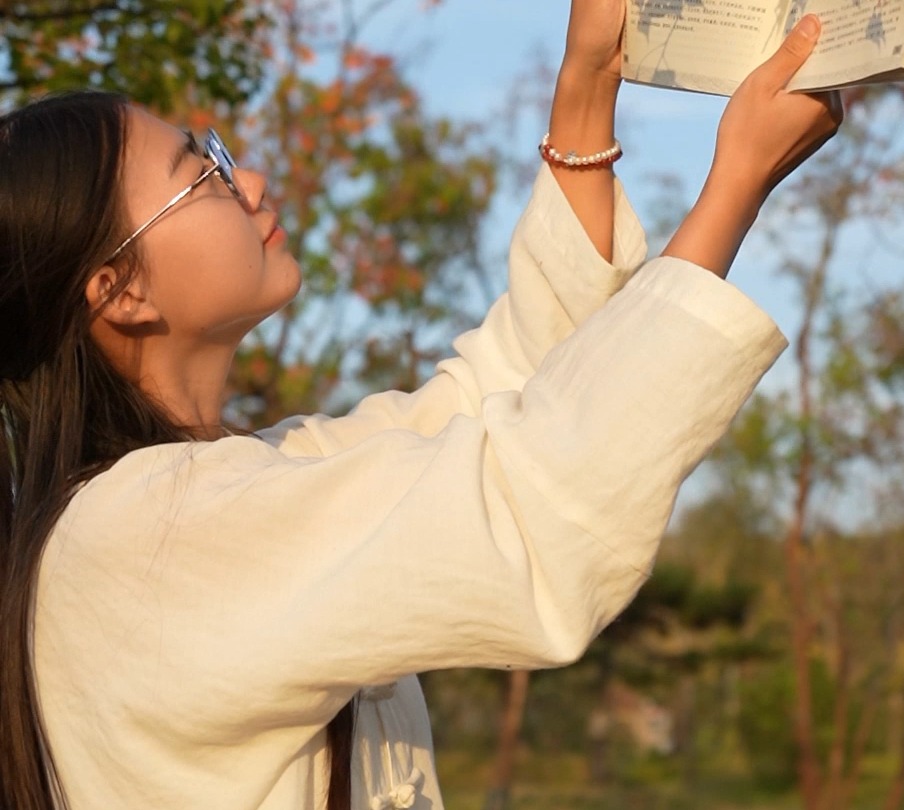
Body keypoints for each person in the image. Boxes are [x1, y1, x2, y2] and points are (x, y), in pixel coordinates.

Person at [0, 1, 841, 808]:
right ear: (120, 292)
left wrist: (588, 83)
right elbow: (522, 511)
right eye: (201, 172)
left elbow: (496, 397)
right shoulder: (141, 539)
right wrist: (735, 184)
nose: (248, 178)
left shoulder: (241, 483)